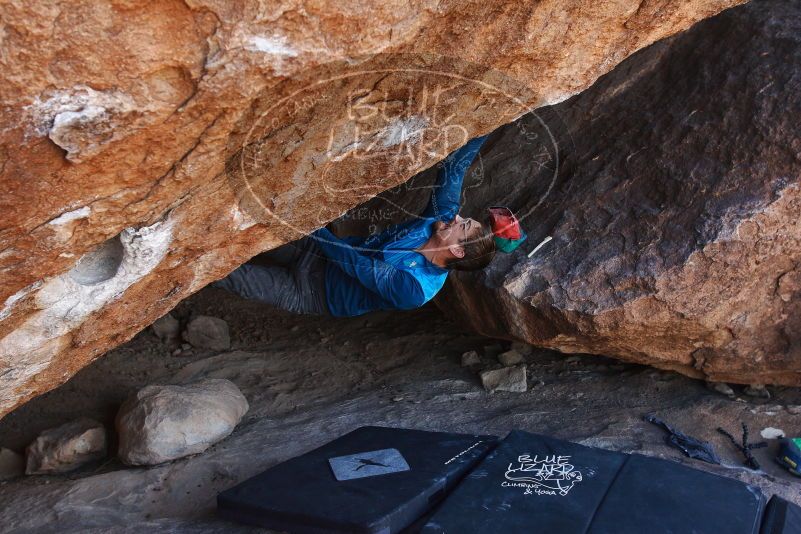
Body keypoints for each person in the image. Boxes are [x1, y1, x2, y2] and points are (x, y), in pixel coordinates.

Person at [213, 135, 496, 317]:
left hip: (311, 292)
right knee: (256, 226)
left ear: (457, 251)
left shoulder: (415, 289)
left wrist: (308, 225)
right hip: (318, 253)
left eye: (464, 225)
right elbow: (453, 171)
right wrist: (489, 119)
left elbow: (355, 264)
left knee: (231, 274)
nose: (457, 217)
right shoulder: (439, 221)